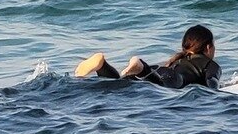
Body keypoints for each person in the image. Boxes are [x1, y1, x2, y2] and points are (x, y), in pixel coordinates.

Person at [75, 24, 222, 89]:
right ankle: (140, 67)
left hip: (157, 70)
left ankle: (102, 65)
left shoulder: (177, 60)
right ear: (208, 47)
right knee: (158, 84)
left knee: (119, 84)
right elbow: (212, 82)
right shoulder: (210, 64)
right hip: (175, 80)